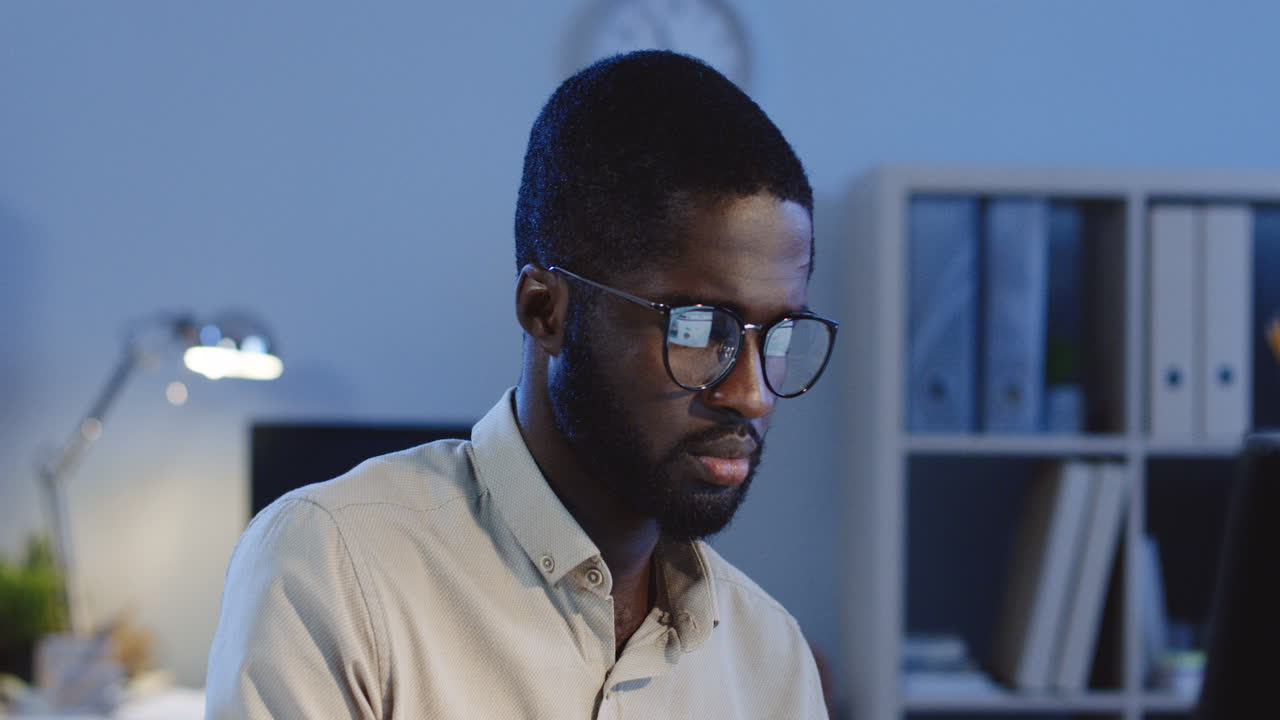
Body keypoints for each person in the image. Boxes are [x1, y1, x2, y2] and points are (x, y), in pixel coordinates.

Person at [205, 50, 838, 719]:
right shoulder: (337, 567)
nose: (753, 394)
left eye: (779, 335)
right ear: (546, 311)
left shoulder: (772, 662)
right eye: (698, 327)